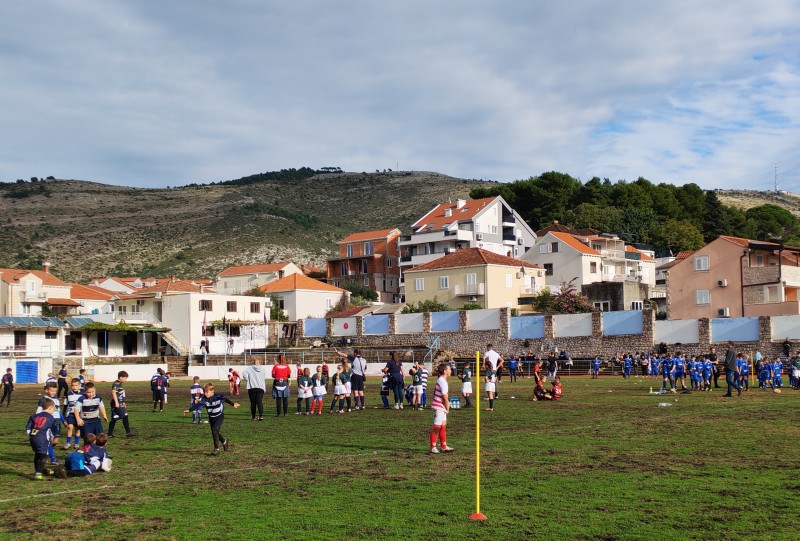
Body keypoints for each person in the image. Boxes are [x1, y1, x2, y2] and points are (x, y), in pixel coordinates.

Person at [184, 383, 239, 455]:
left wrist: (233, 404)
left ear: (212, 391)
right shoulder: (204, 398)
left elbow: (225, 399)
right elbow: (198, 404)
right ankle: (224, 441)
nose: (205, 393)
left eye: (207, 392)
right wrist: (189, 410)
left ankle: (216, 449)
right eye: (205, 392)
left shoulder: (218, 396)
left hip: (219, 416)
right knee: (215, 432)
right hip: (211, 417)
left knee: (214, 431)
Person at [26, 397, 59, 480]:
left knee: (37, 454)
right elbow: (54, 429)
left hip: (33, 438)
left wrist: (32, 435)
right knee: (43, 455)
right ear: (50, 408)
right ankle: (38, 474)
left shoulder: (34, 416)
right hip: (43, 438)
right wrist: (55, 437)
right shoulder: (51, 418)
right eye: (53, 409)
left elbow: (28, 429)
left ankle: (37, 470)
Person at [429, 362, 454, 454]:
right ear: (444, 371)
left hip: (441, 406)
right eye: (449, 369)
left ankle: (443, 446)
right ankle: (432, 447)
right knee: (437, 427)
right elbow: (445, 397)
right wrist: (448, 407)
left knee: (443, 425)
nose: (451, 371)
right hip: (439, 407)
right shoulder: (442, 381)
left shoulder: (442, 380)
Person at [36, 382, 64, 465]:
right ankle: (53, 459)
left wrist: (64, 421)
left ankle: (46, 453)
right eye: (52, 391)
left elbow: (58, 412)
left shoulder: (56, 400)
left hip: (56, 422)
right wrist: (39, 421)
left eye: (55, 391)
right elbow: (38, 412)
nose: (53, 393)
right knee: (49, 440)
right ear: (46, 390)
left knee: (55, 441)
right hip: (48, 422)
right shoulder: (43, 400)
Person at [107, 371, 134, 438]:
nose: (125, 379)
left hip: (120, 403)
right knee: (125, 416)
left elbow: (119, 394)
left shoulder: (119, 384)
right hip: (117, 403)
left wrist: (123, 402)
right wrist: (116, 402)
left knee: (114, 418)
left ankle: (109, 434)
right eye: (125, 378)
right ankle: (128, 432)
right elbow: (113, 392)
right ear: (121, 377)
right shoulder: (116, 383)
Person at [63, 378, 83, 450]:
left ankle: (76, 443)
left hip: (79, 414)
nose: (74, 387)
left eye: (76, 385)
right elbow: (65, 404)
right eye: (73, 385)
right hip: (70, 413)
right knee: (70, 427)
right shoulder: (68, 394)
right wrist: (64, 414)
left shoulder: (82, 394)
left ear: (79, 386)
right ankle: (68, 442)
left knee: (77, 429)